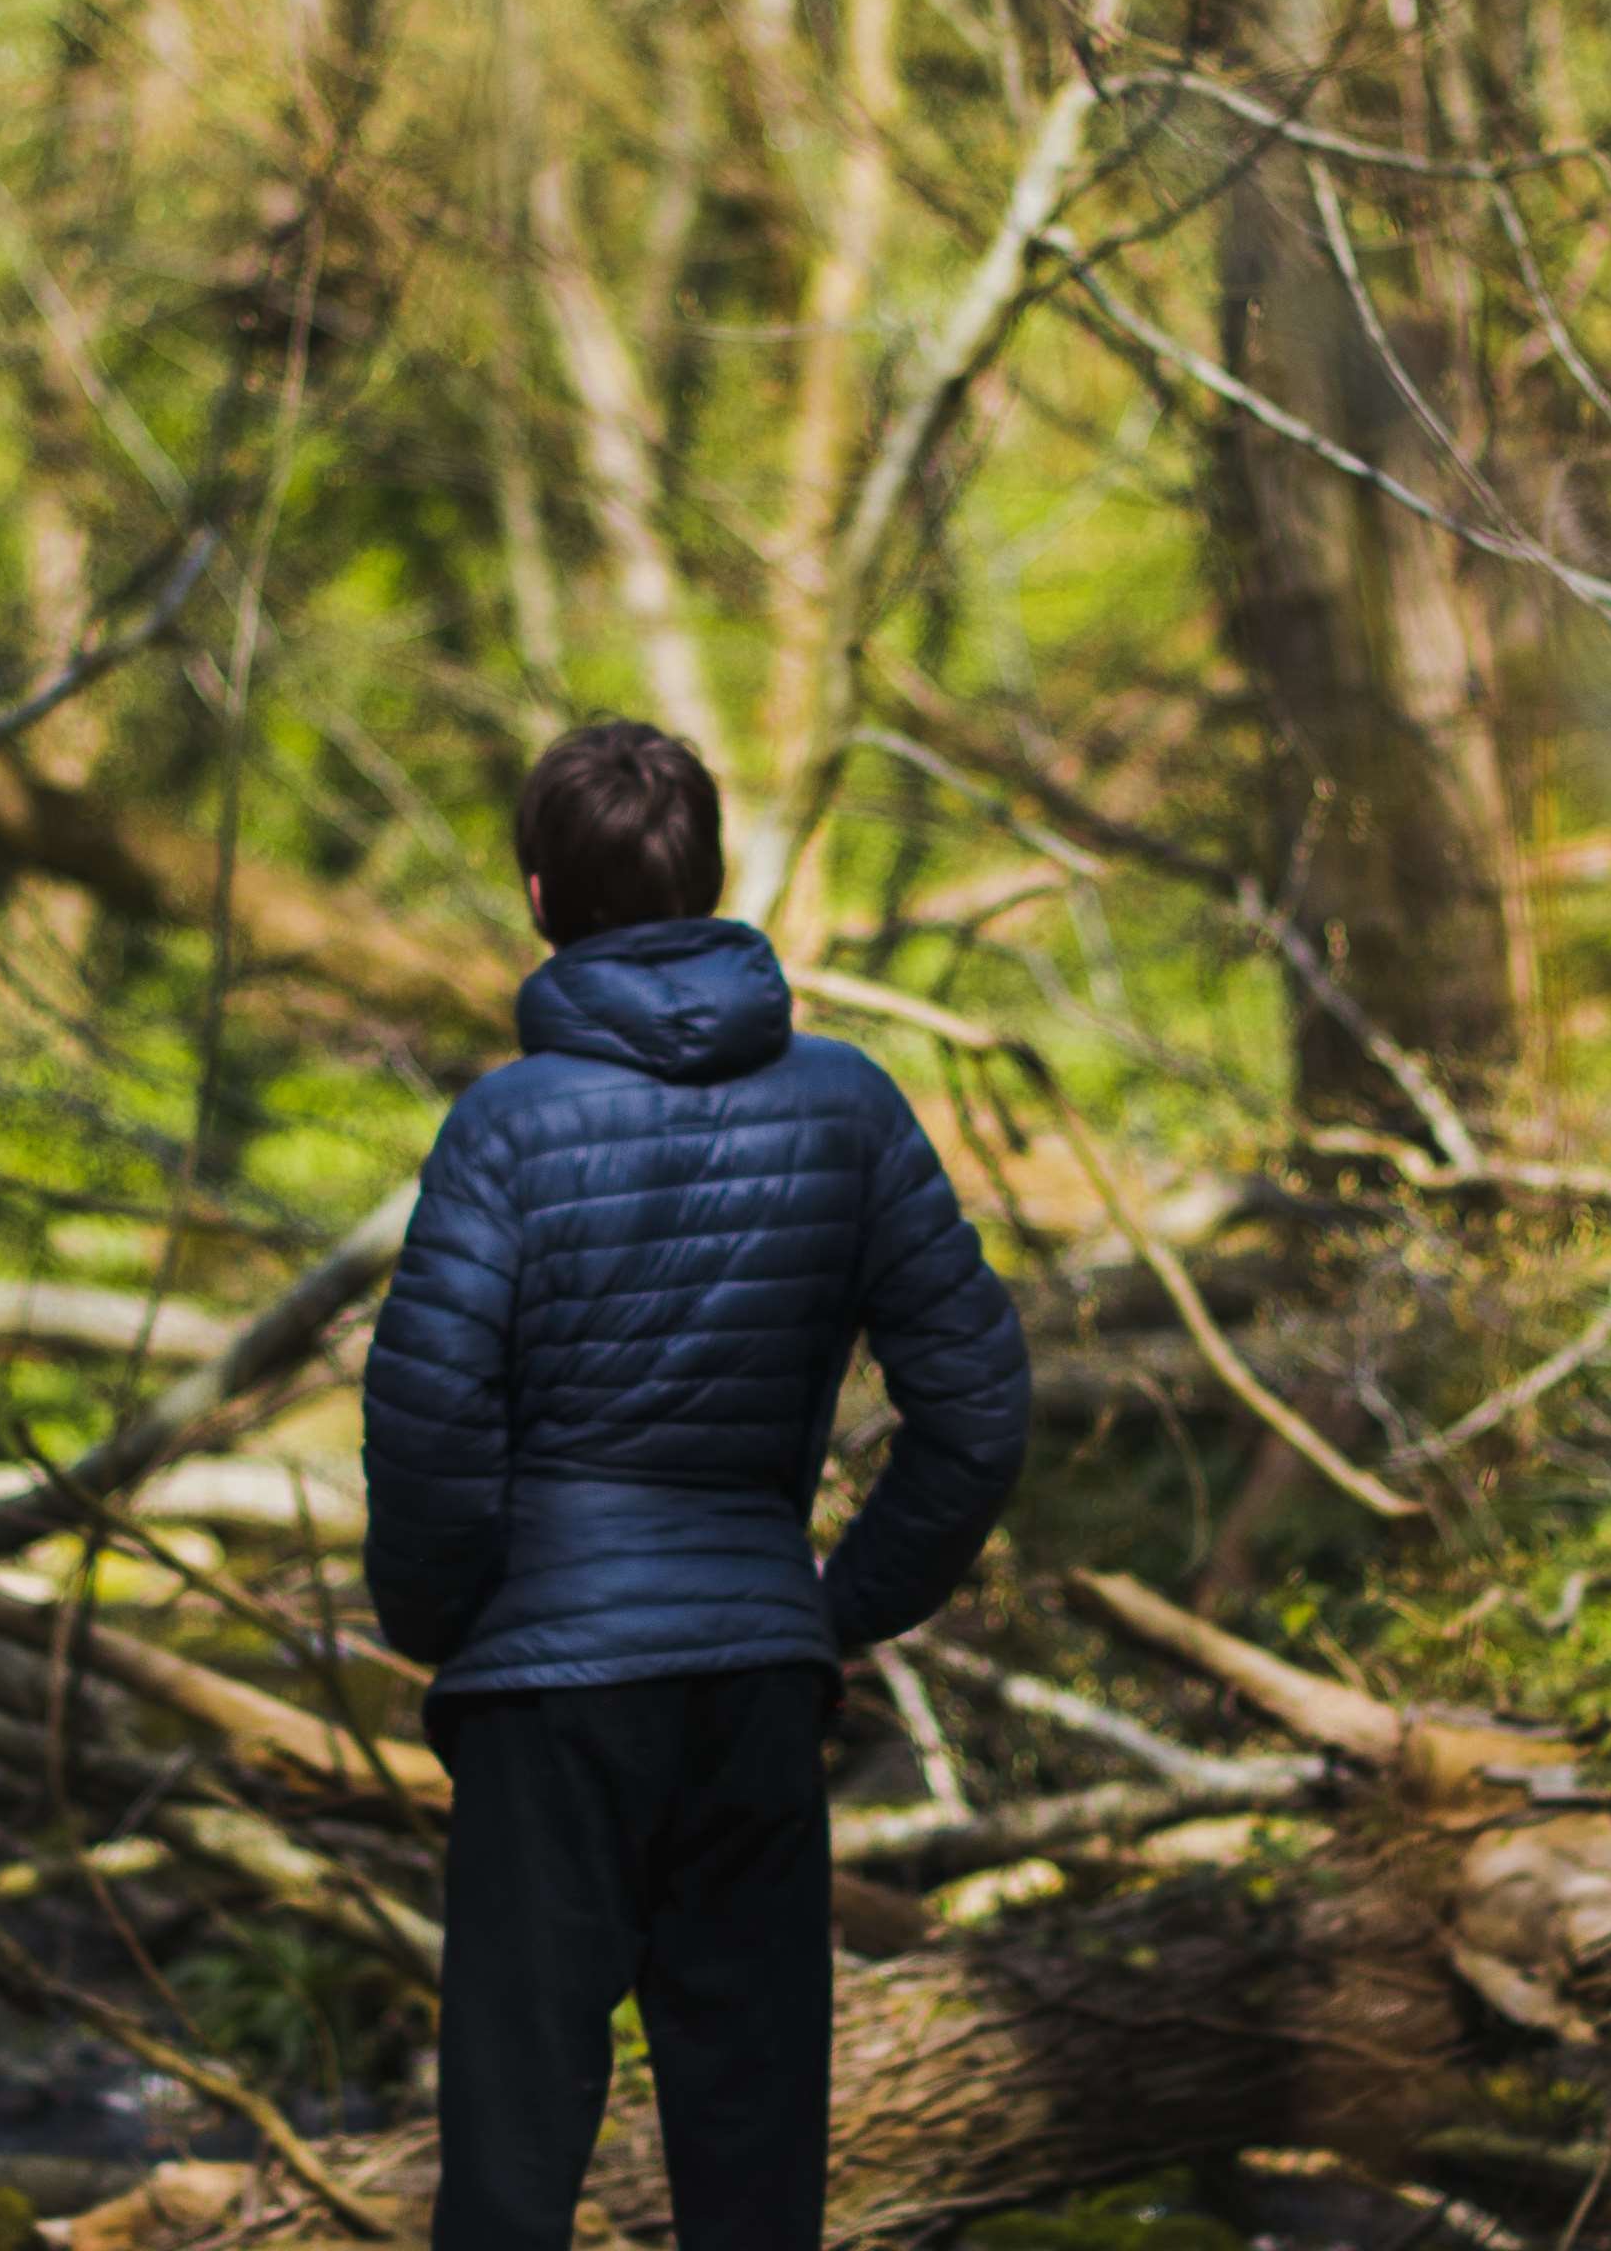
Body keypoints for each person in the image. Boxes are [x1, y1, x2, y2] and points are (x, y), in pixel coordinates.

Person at [362, 719, 1033, 2251]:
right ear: (715, 880)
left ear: (539, 897)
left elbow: (426, 1421)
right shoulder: (851, 1106)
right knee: (755, 2173)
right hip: (750, 1687)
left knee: (514, 2172)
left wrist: (454, 1623)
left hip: (551, 1708)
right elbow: (979, 1412)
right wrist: (831, 1614)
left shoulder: (505, 1130)